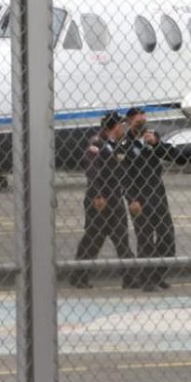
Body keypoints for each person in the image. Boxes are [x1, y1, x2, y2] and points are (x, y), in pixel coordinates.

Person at [70, 111, 135, 289]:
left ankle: (130, 278)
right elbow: (92, 170)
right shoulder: (96, 144)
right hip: (100, 199)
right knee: (93, 240)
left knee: (122, 240)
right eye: (121, 125)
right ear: (115, 126)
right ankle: (78, 275)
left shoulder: (116, 145)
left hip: (115, 198)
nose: (124, 128)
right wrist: (97, 195)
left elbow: (123, 174)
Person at [123, 107, 176, 292]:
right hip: (139, 196)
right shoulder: (125, 144)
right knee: (145, 240)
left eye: (143, 121)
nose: (142, 124)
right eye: (138, 122)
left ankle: (158, 275)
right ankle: (146, 279)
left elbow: (170, 155)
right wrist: (132, 199)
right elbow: (124, 176)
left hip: (158, 194)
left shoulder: (152, 137)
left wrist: (156, 143)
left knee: (167, 237)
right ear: (130, 121)